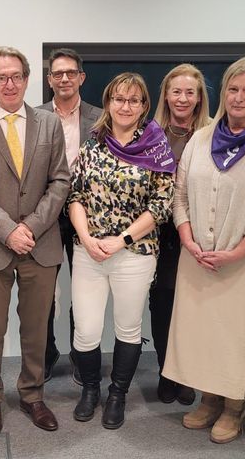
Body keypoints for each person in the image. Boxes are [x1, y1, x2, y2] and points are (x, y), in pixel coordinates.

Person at [163, 56, 245, 444]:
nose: (239, 98)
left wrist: (235, 252)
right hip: (199, 260)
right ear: (223, 94)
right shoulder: (201, 140)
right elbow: (180, 196)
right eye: (233, 89)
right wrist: (188, 240)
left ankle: (236, 407)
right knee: (205, 335)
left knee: (238, 339)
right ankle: (208, 399)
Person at [0, 46, 70, 435]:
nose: (9, 83)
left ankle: (32, 395)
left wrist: (31, 228)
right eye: (1, 77)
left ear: (26, 79)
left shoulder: (49, 124)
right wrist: (8, 230)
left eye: (16, 76)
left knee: (36, 327)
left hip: (41, 244)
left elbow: (60, 181)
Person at [68, 72, 175, 429]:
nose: (125, 106)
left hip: (135, 253)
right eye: (118, 99)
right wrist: (85, 238)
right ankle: (90, 391)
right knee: (85, 329)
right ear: (108, 102)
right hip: (90, 251)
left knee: (128, 328)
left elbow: (162, 204)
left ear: (144, 105)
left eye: (133, 100)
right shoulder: (92, 144)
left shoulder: (156, 146)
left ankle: (117, 394)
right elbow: (75, 195)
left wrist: (123, 239)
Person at [37, 48, 102, 383]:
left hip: (87, 218)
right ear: (49, 79)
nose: (64, 78)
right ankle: (47, 354)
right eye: (57, 73)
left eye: (70, 73)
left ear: (81, 77)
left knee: (84, 289)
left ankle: (82, 354)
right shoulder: (32, 116)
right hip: (45, 215)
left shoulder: (101, 117)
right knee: (44, 290)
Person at [148, 64, 212, 406]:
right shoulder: (150, 133)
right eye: (176, 91)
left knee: (193, 306)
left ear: (199, 96)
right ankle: (165, 372)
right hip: (159, 235)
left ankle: (187, 374)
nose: (183, 98)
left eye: (190, 92)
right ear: (167, 96)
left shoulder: (215, 134)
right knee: (162, 305)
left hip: (200, 233)